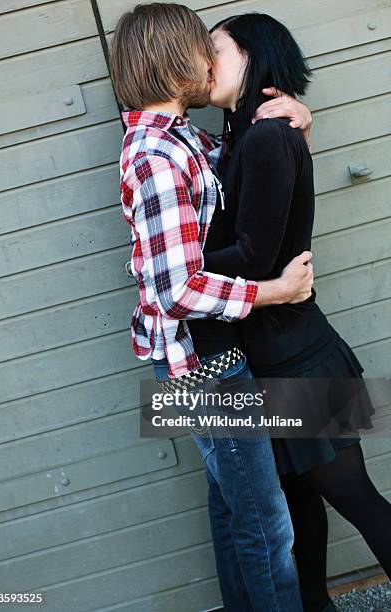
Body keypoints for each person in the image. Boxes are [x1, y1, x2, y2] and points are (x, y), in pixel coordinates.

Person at [110, 4, 315, 610]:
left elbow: (248, 162)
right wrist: (271, 292)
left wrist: (299, 122)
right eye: (204, 49)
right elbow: (176, 289)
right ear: (176, 61)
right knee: (267, 526)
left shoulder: (182, 140)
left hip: (205, 357)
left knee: (234, 511)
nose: (210, 61)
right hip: (197, 364)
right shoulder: (154, 155)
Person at [201, 12, 391, 612]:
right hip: (270, 357)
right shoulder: (243, 135)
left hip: (297, 359)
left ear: (254, 59)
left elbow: (256, 256)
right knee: (297, 503)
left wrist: (181, 264)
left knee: (353, 495)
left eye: (217, 52)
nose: (204, 64)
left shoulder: (265, 137)